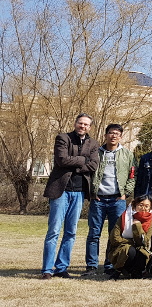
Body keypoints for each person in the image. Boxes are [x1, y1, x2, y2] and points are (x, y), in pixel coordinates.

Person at [42, 113, 100, 280]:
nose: (83, 126)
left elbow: (94, 165)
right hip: (61, 190)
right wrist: (83, 160)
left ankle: (61, 267)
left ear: (90, 127)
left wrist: (77, 166)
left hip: (79, 192)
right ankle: (47, 269)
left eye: (86, 124)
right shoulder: (63, 138)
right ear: (75, 123)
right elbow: (61, 160)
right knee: (53, 231)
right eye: (80, 123)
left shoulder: (93, 144)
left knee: (71, 232)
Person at [83, 123, 136, 276]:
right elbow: (89, 173)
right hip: (98, 199)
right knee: (94, 233)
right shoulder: (96, 153)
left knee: (114, 235)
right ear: (106, 135)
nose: (113, 136)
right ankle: (91, 266)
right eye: (111, 133)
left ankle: (110, 265)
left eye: (117, 134)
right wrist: (92, 192)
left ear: (121, 137)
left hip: (117, 200)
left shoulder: (127, 154)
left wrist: (125, 192)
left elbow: (133, 175)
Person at [107, 195, 152, 280]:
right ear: (135, 205)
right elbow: (114, 238)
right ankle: (119, 269)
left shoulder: (150, 222)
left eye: (146, 206)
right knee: (130, 250)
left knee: (142, 252)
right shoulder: (124, 217)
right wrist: (132, 243)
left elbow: (144, 242)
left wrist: (137, 226)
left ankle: (136, 272)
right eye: (140, 205)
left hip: (139, 250)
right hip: (121, 249)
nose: (143, 208)